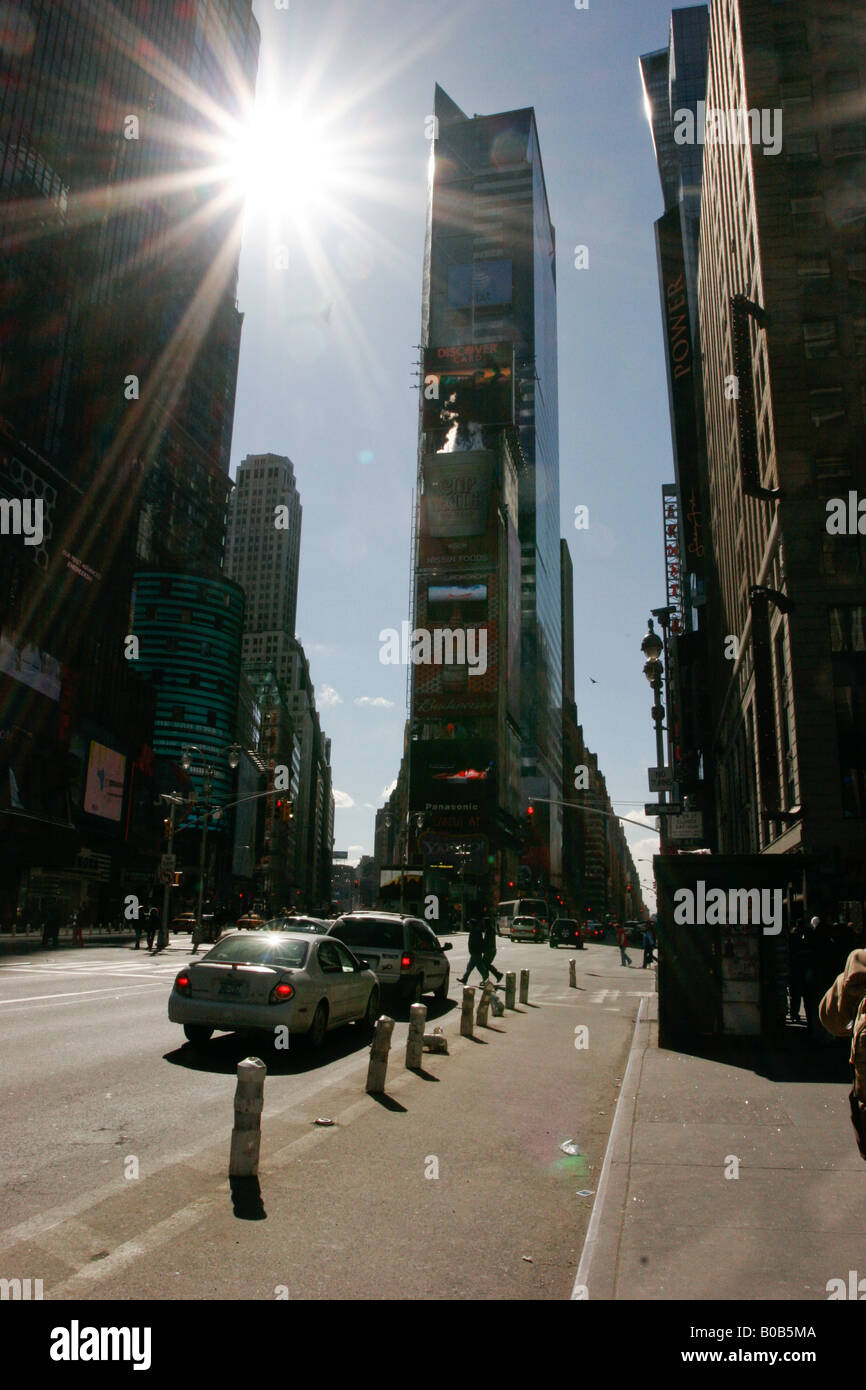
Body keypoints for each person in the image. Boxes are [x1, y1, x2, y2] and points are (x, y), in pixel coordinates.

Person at [458, 918, 489, 985]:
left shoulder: (476, 932)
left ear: (472, 925)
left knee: (476, 967)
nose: (468, 925)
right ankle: (465, 979)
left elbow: (478, 942)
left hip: (476, 952)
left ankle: (486, 979)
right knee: (474, 967)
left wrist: (476, 950)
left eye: (469, 924)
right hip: (475, 952)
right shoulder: (474, 931)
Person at [482, 916, 503, 984]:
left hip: (489, 950)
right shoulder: (490, 929)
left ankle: (497, 974)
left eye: (484, 923)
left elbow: (486, 941)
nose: (483, 924)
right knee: (486, 964)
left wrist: (483, 948)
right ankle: (487, 979)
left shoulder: (488, 930)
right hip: (491, 949)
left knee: (486, 964)